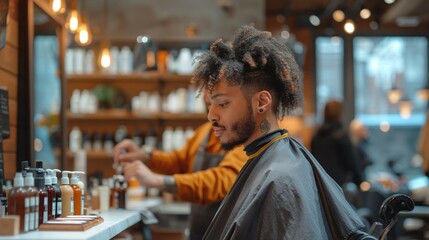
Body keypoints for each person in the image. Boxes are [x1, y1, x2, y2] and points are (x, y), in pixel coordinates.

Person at [191, 25, 366, 239]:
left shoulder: (281, 179)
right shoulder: (269, 157)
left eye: (223, 103)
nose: (211, 116)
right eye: (211, 105)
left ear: (262, 102)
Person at [114, 95, 248, 240]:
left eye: (217, 95)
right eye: (205, 90)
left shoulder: (241, 135)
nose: (207, 98)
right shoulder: (203, 132)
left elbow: (223, 181)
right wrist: (146, 156)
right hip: (199, 232)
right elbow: (177, 161)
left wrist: (159, 181)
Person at [311, 100, 364, 187]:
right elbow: (351, 162)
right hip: (338, 185)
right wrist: (361, 182)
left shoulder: (316, 136)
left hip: (320, 184)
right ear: (340, 114)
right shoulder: (341, 135)